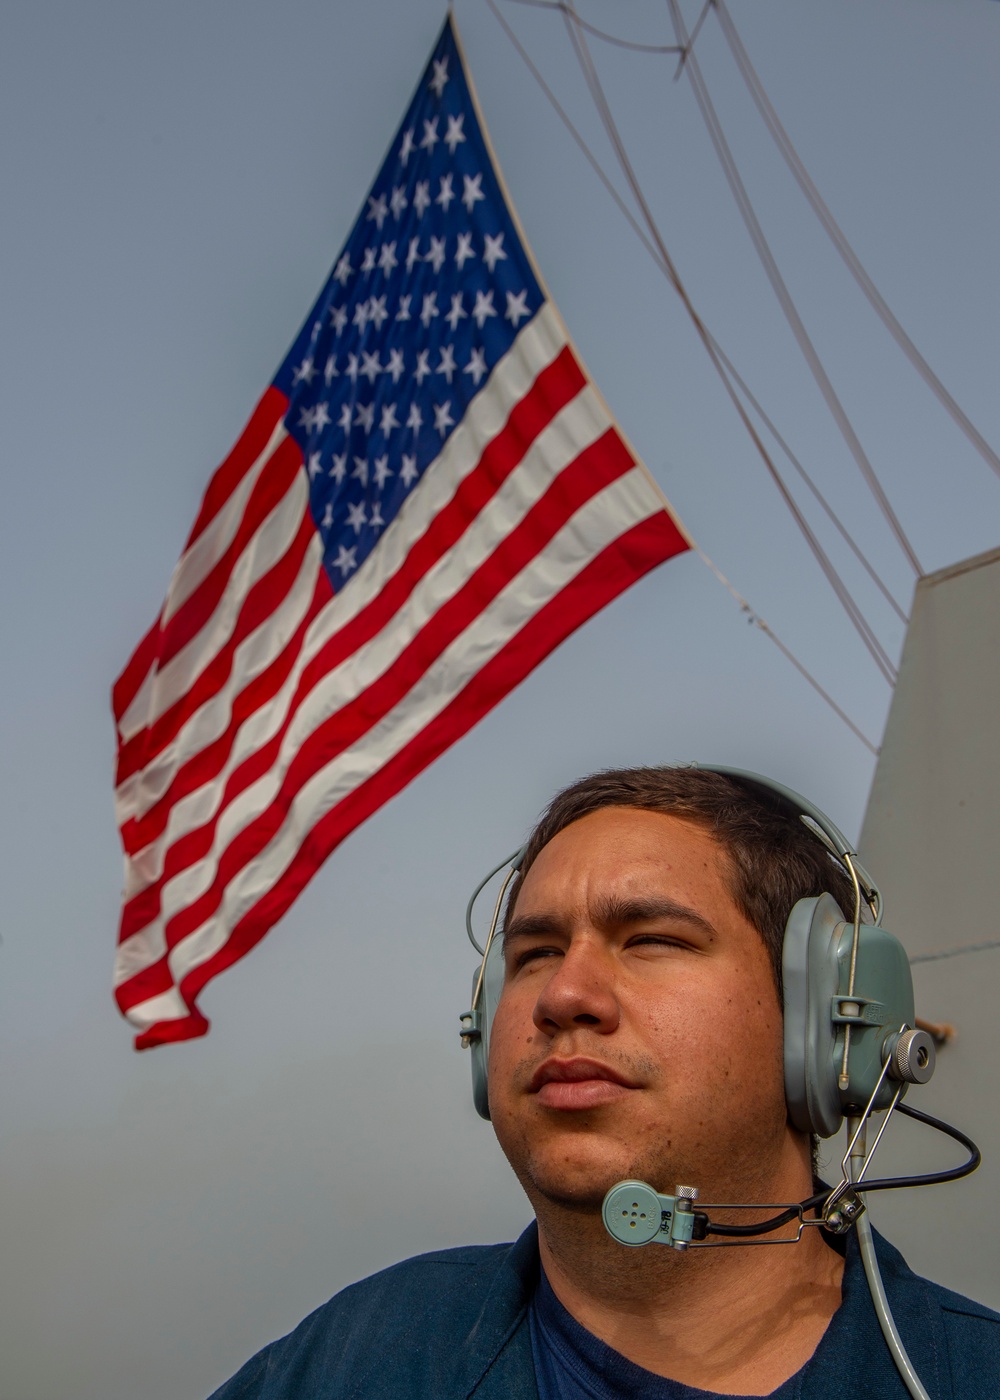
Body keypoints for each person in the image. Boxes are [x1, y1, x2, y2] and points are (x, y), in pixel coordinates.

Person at [209, 767, 999, 1398]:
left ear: (827, 1019)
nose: (562, 997)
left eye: (651, 939)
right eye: (535, 955)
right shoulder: (350, 1359)